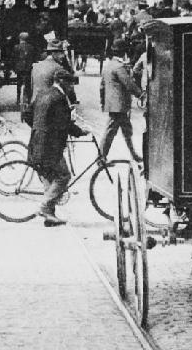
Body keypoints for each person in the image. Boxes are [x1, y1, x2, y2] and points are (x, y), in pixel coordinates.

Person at [25, 61, 86, 226]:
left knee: (49, 178)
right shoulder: (59, 98)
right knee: (63, 176)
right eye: (70, 84)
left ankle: (50, 217)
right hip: (49, 148)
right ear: (62, 82)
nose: (71, 88)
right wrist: (81, 132)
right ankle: (45, 207)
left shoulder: (42, 93)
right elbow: (64, 123)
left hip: (36, 143)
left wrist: (40, 128)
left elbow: (27, 114)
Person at [99, 41, 143, 163]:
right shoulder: (119, 67)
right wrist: (141, 95)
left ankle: (133, 154)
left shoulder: (108, 65)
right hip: (119, 106)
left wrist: (103, 102)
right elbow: (129, 84)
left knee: (126, 130)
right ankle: (101, 157)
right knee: (111, 131)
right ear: (124, 52)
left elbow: (102, 86)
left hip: (114, 105)